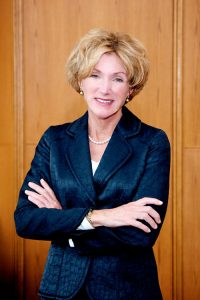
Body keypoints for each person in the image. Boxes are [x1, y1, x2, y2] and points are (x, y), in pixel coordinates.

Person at [14, 28, 170, 300]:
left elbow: (141, 234)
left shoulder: (152, 142)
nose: (105, 89)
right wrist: (102, 217)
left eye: (118, 79)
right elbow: (26, 220)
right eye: (95, 75)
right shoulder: (55, 140)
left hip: (128, 290)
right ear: (80, 81)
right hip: (61, 289)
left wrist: (64, 220)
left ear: (130, 88)